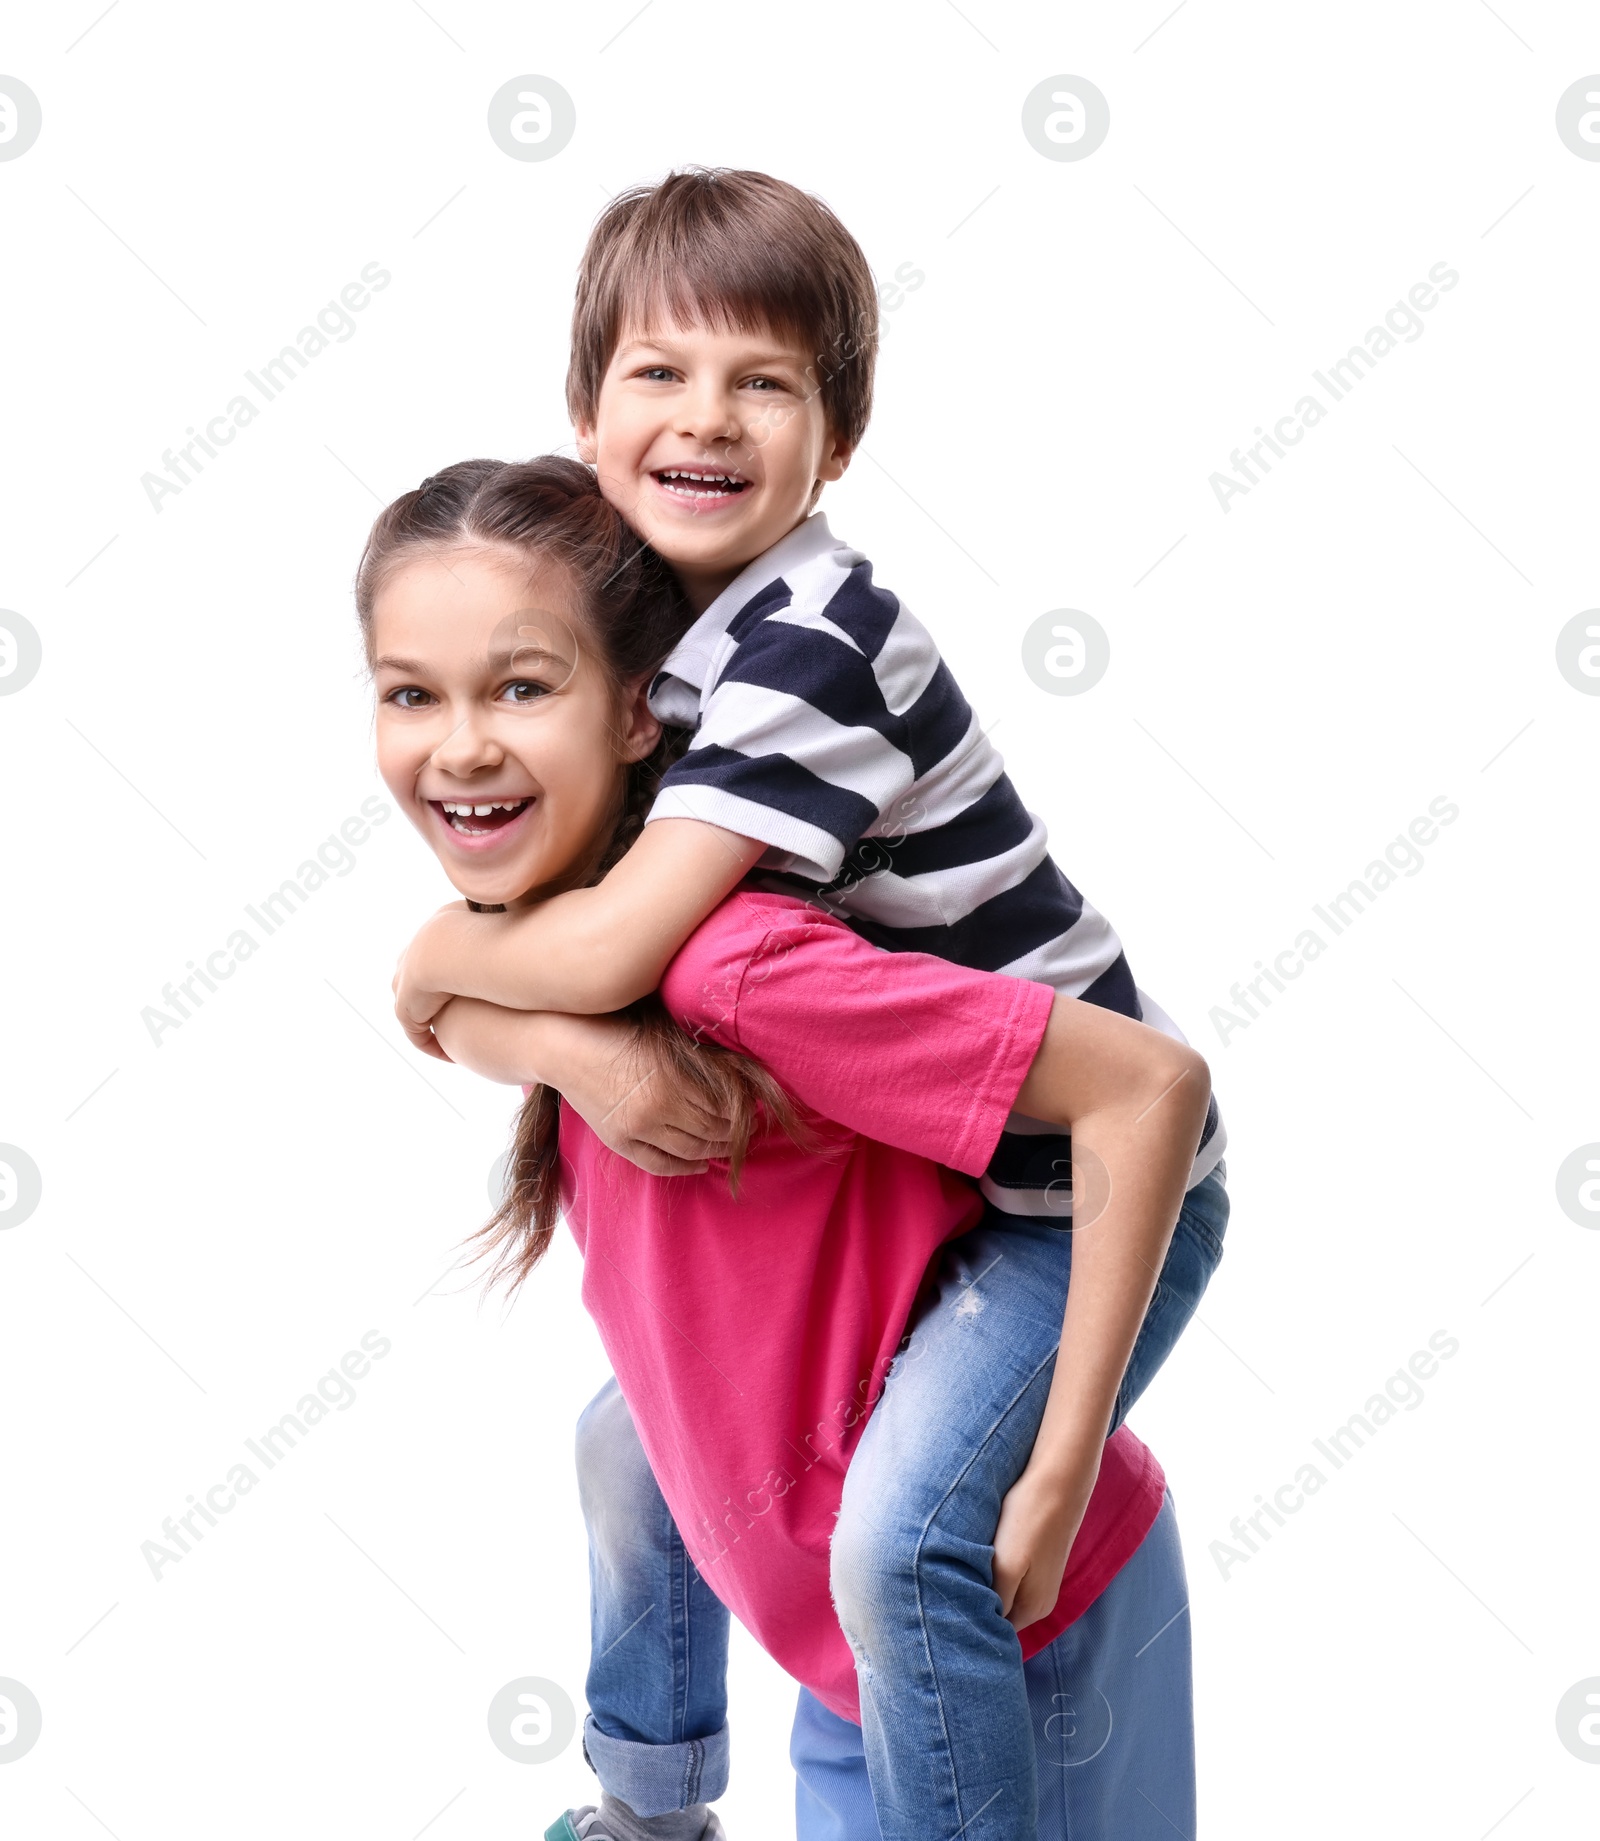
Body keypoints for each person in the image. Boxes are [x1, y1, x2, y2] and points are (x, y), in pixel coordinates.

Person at [363, 455, 1224, 1840]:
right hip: (854, 1655)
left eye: (524, 687)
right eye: (411, 692)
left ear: (646, 713)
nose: (460, 746)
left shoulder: (746, 963)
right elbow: (443, 1001)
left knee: (830, 1522)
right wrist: (557, 1041)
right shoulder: (552, 969)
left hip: (1010, 1622)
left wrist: (1051, 1473)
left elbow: (1148, 1087)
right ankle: (648, 1810)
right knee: (620, 1437)